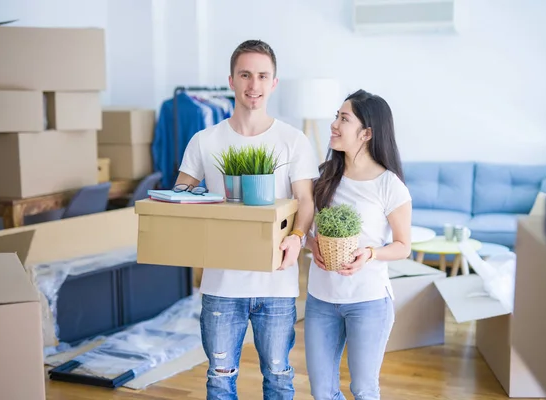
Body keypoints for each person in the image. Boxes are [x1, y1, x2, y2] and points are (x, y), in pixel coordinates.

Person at [174, 39, 319, 399]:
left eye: (262, 76)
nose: (253, 85)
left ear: (274, 83)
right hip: (221, 287)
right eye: (245, 75)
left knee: (279, 377)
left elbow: (305, 200)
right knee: (220, 380)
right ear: (231, 80)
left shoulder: (293, 140)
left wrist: (297, 236)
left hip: (277, 286)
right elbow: (179, 197)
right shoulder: (205, 140)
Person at [304, 89, 412, 400]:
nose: (334, 124)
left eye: (343, 118)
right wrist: (312, 245)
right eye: (336, 116)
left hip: (368, 301)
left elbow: (403, 245)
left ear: (366, 133)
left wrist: (371, 253)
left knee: (364, 390)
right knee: (322, 392)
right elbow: (307, 233)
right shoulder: (323, 178)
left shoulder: (389, 185)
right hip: (320, 300)